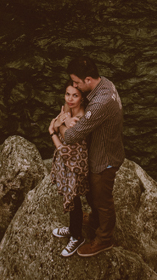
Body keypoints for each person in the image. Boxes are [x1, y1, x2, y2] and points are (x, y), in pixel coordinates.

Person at [58, 56, 124, 257]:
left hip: (104, 160)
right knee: (94, 195)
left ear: (88, 80)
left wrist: (57, 126)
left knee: (102, 200)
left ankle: (104, 239)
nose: (74, 86)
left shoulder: (100, 103)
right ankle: (95, 222)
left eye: (77, 82)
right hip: (106, 148)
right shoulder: (104, 83)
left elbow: (71, 136)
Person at [49, 83, 90, 257]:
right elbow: (56, 121)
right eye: (67, 94)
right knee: (71, 197)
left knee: (74, 198)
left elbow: (64, 148)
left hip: (74, 161)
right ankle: (73, 228)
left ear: (82, 98)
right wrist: (61, 123)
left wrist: (53, 132)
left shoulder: (81, 119)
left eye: (75, 96)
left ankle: (77, 236)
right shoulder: (67, 109)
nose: (70, 99)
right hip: (67, 160)